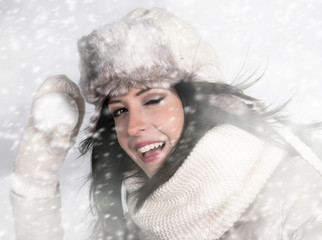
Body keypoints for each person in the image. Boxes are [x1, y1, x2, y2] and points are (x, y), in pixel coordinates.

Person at [11, 7, 322, 240]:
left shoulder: (295, 193)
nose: (133, 126)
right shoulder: (144, 220)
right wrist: (36, 181)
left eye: (152, 101)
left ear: (196, 104)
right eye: (120, 111)